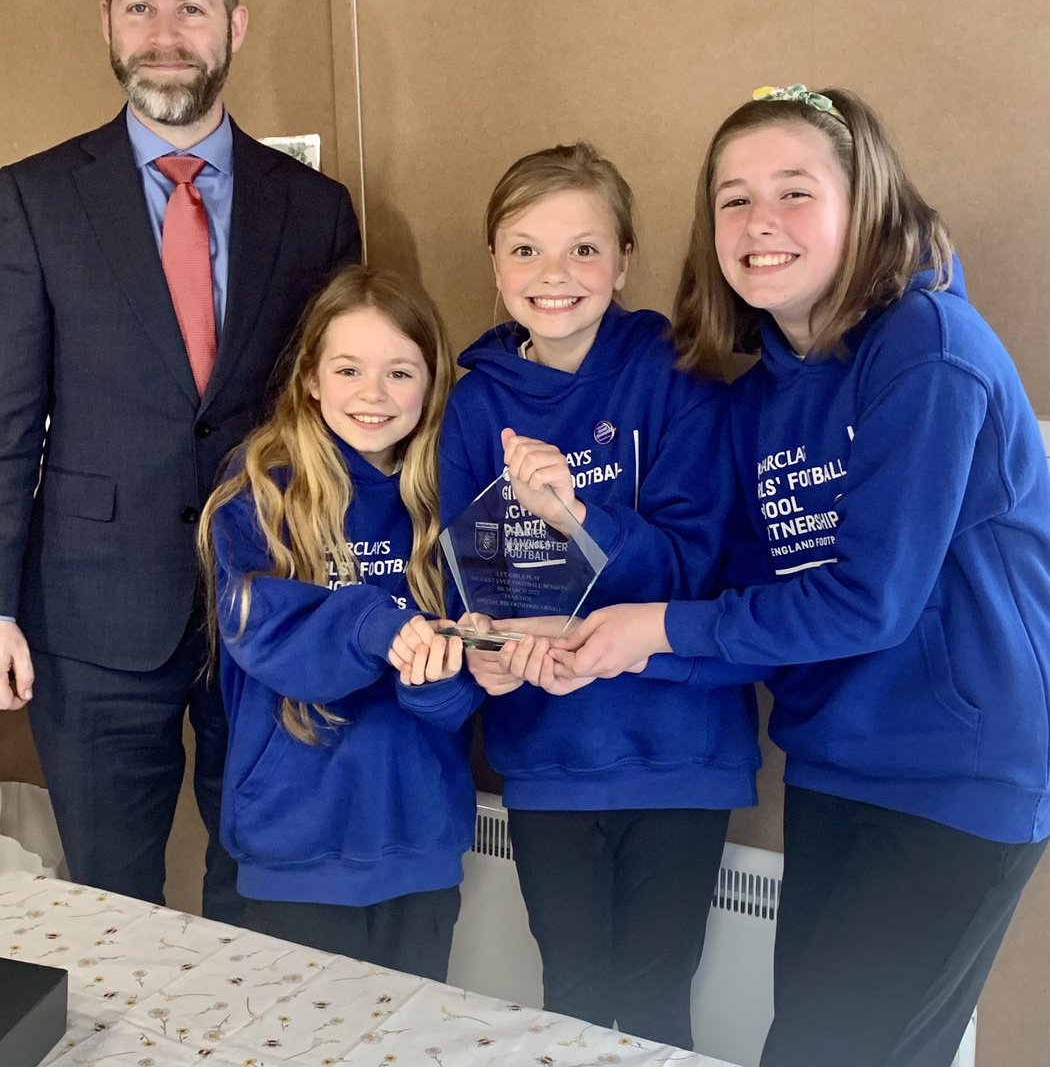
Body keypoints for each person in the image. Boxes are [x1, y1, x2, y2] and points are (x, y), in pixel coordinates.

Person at [553, 87, 1050, 1067]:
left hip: (962, 776)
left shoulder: (928, 351)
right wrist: (594, 646)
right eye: (733, 199)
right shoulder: (757, 400)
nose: (759, 223)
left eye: (794, 191)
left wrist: (654, 631)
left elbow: (872, 601)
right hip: (835, 766)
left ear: (864, 204)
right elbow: (728, 604)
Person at [0, 0, 360, 923]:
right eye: (142, 8)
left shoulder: (317, 208)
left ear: (235, 26)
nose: (166, 34)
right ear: (107, 23)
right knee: (114, 904)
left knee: (262, 893)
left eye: (191, 8)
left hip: (271, 605)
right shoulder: (30, 201)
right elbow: (6, 421)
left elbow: (335, 425)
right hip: (91, 618)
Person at [438, 142, 758, 1049]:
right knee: (571, 993)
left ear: (623, 260)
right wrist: (496, 647)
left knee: (658, 1000)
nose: (554, 274)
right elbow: (479, 593)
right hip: (549, 757)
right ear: (494, 263)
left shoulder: (679, 376)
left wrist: (576, 512)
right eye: (526, 248)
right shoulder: (473, 407)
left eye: (584, 249)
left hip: (680, 752)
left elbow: (696, 568)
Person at [199, 266, 477, 979]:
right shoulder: (260, 487)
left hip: (417, 842)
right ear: (311, 379)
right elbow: (265, 631)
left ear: (433, 382)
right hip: (294, 846)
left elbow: (462, 693)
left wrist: (434, 677)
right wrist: (380, 627)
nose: (373, 395)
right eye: (348, 369)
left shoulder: (450, 500)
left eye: (399, 372)